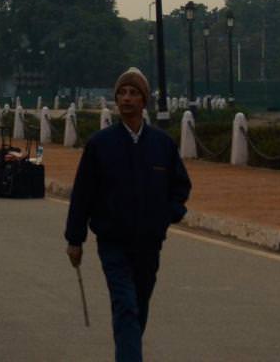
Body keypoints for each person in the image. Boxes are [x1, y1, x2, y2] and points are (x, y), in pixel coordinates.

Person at [65, 68, 191, 362]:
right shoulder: (101, 144)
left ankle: (127, 349)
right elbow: (83, 194)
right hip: (113, 243)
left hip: (149, 242)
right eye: (122, 93)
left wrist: (167, 214)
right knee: (125, 306)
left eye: (133, 93)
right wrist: (75, 238)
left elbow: (181, 186)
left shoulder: (162, 145)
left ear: (144, 100)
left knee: (139, 307)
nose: (126, 98)